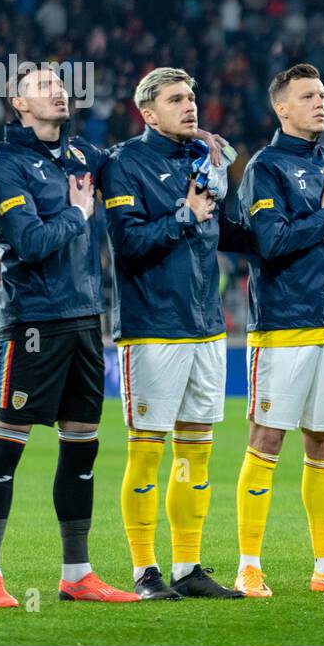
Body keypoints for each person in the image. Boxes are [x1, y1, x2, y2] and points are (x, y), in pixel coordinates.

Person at [0, 66, 137, 606]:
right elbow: (30, 239)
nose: (59, 90)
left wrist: (191, 142)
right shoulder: (6, 165)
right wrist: (76, 211)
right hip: (35, 322)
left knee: (82, 449)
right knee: (7, 446)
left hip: (87, 320)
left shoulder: (85, 156)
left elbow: (137, 161)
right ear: (19, 105)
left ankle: (77, 573)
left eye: (60, 84)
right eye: (43, 87)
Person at [234, 64, 324, 595]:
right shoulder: (264, 167)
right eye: (307, 96)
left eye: (322, 94)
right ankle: (248, 565)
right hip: (282, 325)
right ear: (281, 108)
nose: (321, 103)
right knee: (267, 438)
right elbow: (268, 242)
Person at [104, 67, 245, 600]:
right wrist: (185, 215)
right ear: (147, 112)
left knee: (196, 452)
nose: (190, 106)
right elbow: (129, 243)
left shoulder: (204, 161)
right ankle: (145, 571)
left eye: (192, 96)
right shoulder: (124, 164)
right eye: (176, 99)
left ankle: (188, 567)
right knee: (146, 451)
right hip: (152, 326)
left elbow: (221, 229)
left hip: (206, 325)